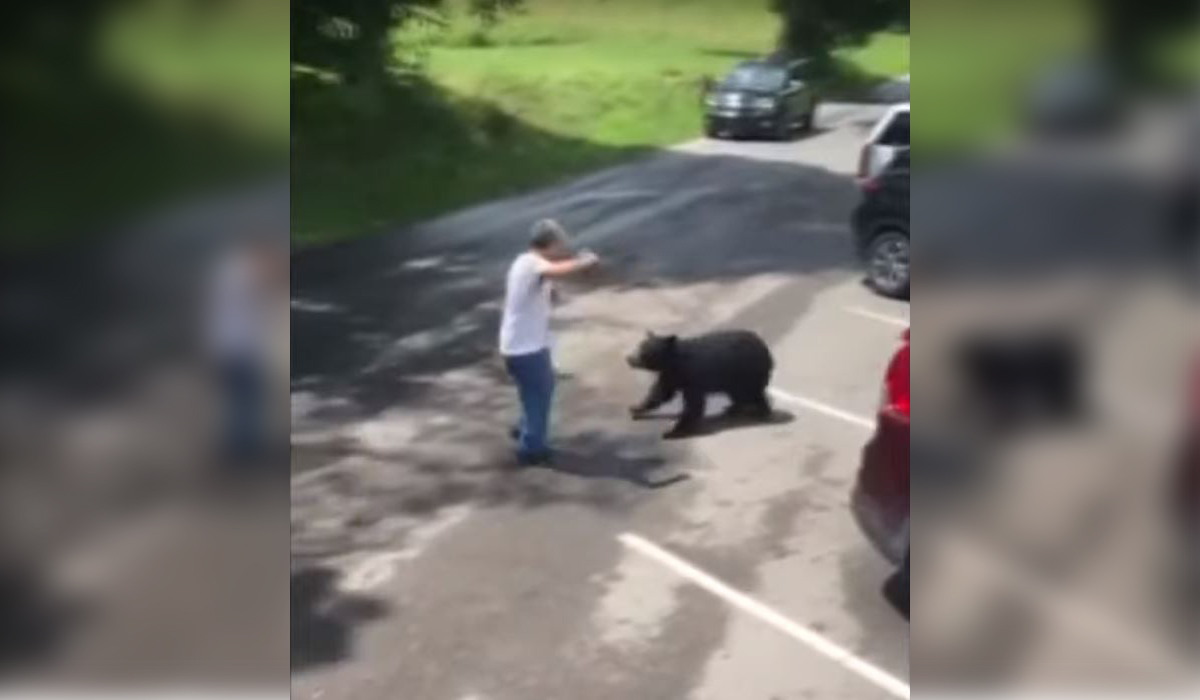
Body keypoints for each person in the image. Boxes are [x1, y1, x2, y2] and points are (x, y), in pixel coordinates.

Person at [500, 219, 598, 465]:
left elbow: (549, 281)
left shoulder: (525, 263)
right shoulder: (532, 263)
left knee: (532, 390)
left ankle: (525, 428)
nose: (561, 249)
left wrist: (553, 291)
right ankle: (532, 448)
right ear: (550, 243)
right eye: (559, 244)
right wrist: (583, 261)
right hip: (525, 349)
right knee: (540, 392)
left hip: (523, 345)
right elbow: (555, 270)